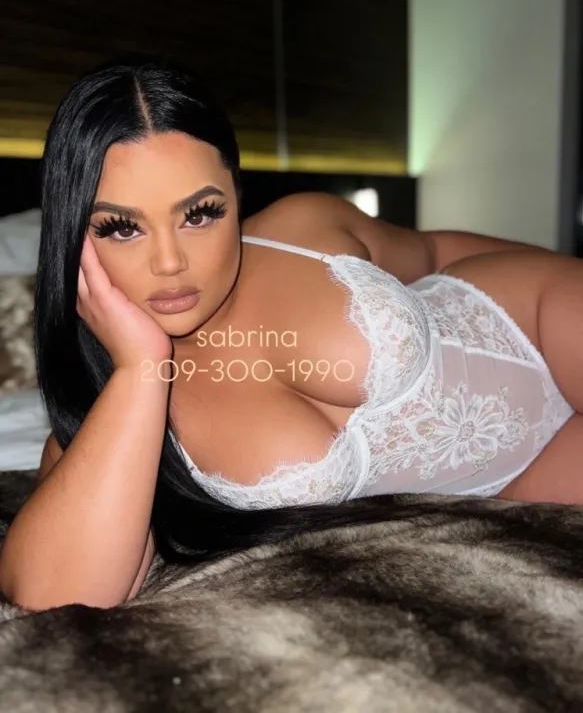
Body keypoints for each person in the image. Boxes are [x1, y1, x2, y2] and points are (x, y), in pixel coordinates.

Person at [0, 55, 581, 613]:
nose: (170, 262)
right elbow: (55, 597)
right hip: (517, 482)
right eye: (122, 227)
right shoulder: (106, 424)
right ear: (73, 235)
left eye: (199, 214)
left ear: (235, 196)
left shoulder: (301, 229)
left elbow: (433, 251)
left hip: (535, 319)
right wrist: (140, 369)